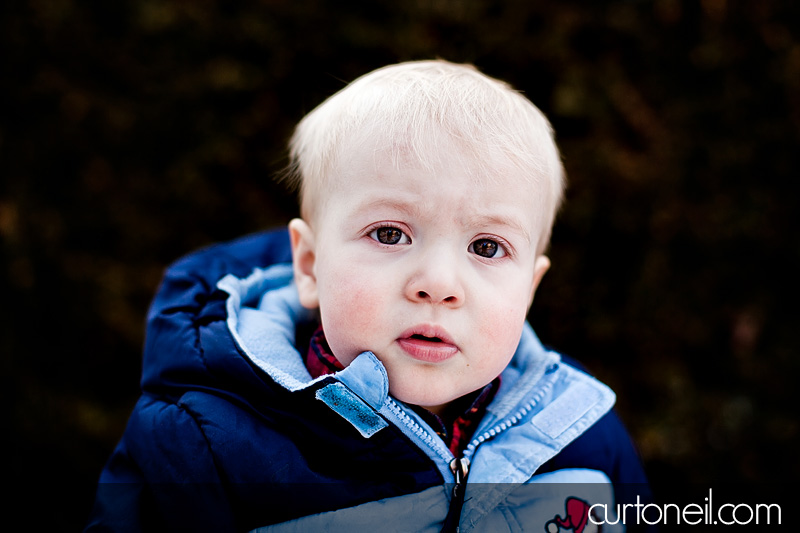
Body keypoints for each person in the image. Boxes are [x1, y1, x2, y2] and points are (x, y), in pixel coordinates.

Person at [86, 60, 650, 532]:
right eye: (390, 234)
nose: (438, 284)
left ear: (530, 288)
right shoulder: (206, 447)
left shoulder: (582, 435)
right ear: (308, 265)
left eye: (486, 246)